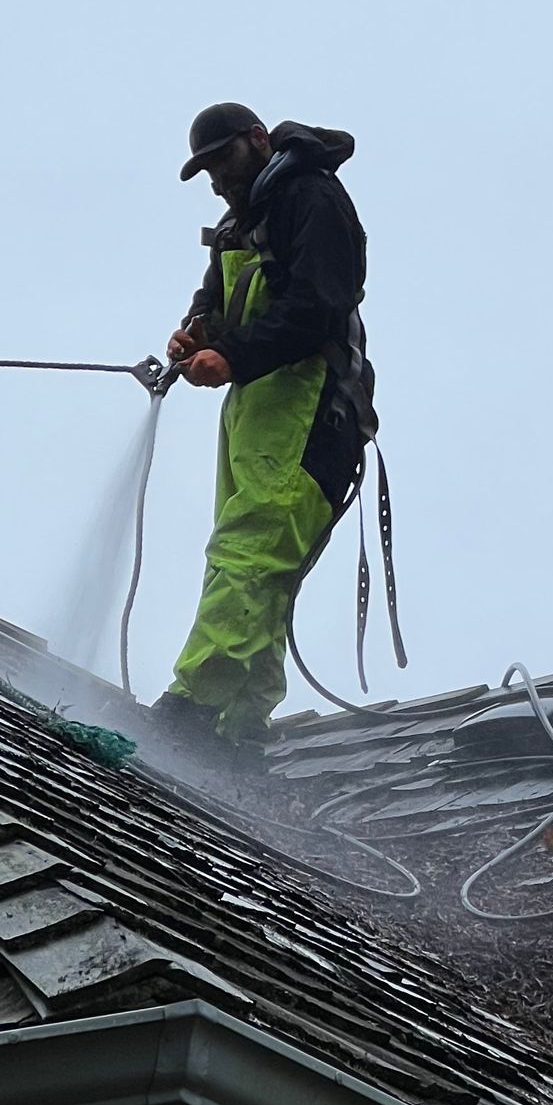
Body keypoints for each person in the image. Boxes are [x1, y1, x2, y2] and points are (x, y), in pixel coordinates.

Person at [153, 102, 372, 763]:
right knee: (260, 566)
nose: (218, 179)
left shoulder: (311, 197)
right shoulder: (238, 225)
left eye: (224, 161)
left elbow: (318, 305)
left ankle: (192, 705)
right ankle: (238, 728)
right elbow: (215, 303)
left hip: (313, 412)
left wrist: (236, 357)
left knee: (247, 552)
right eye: (208, 171)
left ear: (257, 140)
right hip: (258, 412)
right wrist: (198, 332)